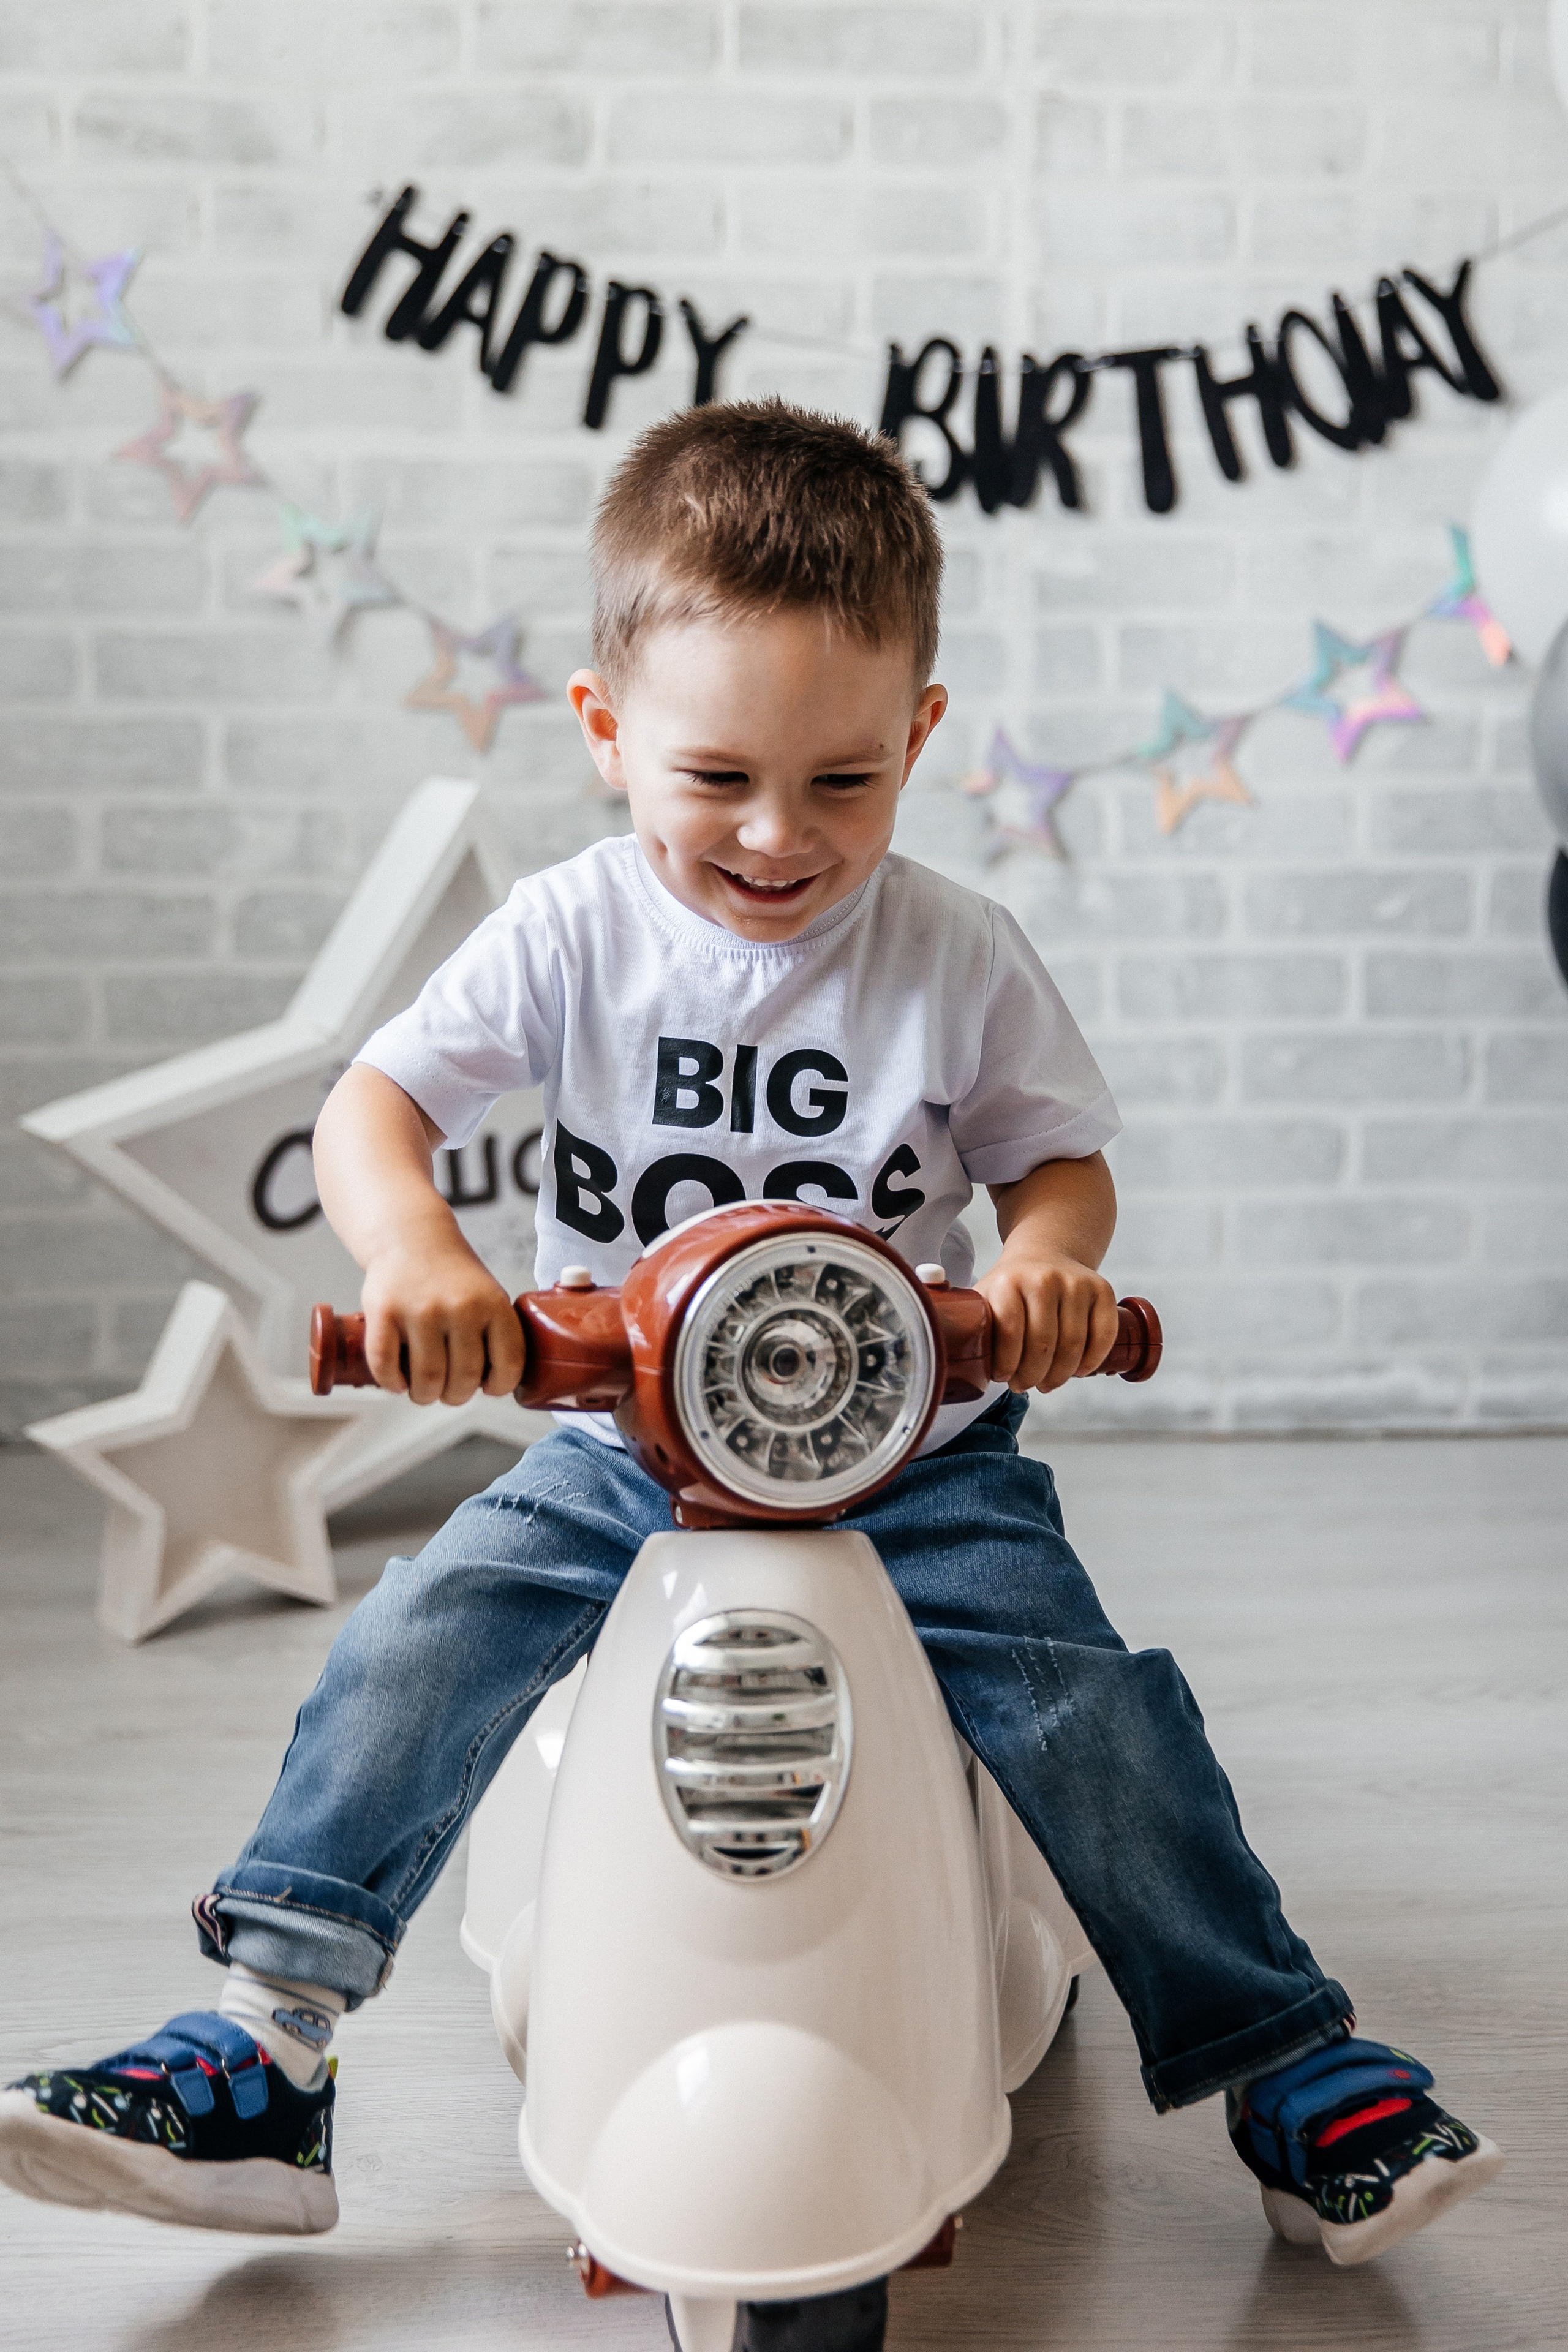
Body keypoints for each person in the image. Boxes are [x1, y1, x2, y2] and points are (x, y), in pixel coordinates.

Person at [1, 402, 1499, 2270]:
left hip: (917, 1463)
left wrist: (1047, 1270)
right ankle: (269, 2042)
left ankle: (1288, 2062)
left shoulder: (957, 954)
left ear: (921, 739)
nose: (780, 837)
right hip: (619, 1444)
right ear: (605, 728)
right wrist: (419, 1262)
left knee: (1091, 1710)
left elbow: (1061, 1170)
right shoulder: (568, 937)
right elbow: (375, 1105)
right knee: (422, 1636)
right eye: (716, 778)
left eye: (845, 785)